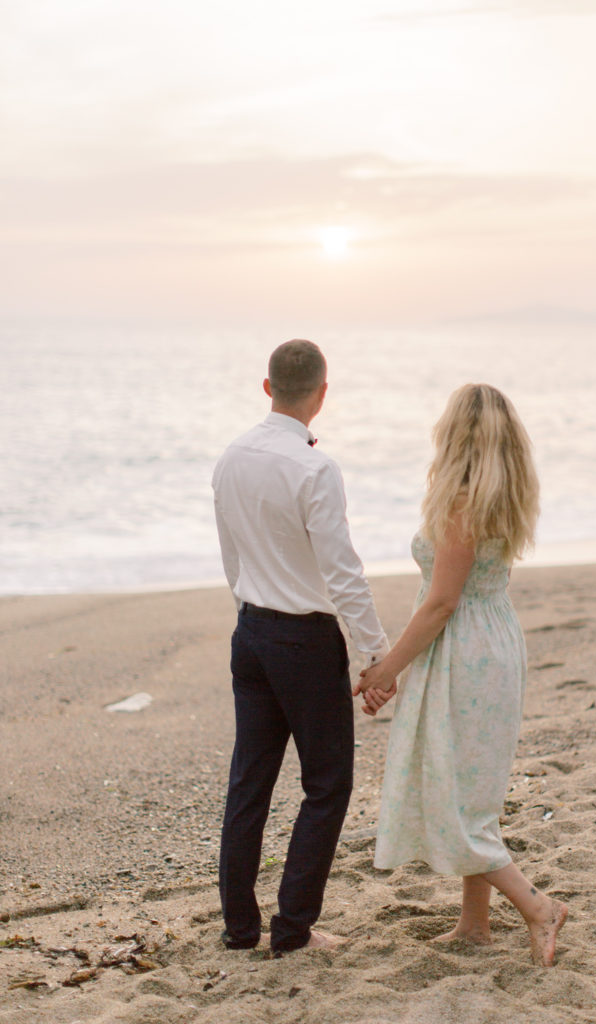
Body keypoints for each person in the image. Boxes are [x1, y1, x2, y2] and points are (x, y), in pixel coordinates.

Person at [355, 383, 568, 967]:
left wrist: (385, 669)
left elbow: (441, 602)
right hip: (492, 638)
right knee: (475, 790)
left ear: (455, 436)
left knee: (455, 794)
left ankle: (538, 907)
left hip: (463, 651)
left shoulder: (463, 502)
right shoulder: (504, 495)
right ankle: (475, 925)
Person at [212, 339, 388, 955]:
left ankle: (239, 930)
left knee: (249, 783)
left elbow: (231, 553)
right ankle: (291, 932)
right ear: (322, 392)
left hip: (251, 632)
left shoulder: (231, 456)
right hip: (304, 641)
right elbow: (343, 573)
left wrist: (248, 617)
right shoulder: (316, 468)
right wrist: (376, 655)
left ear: (267, 387)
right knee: (327, 784)